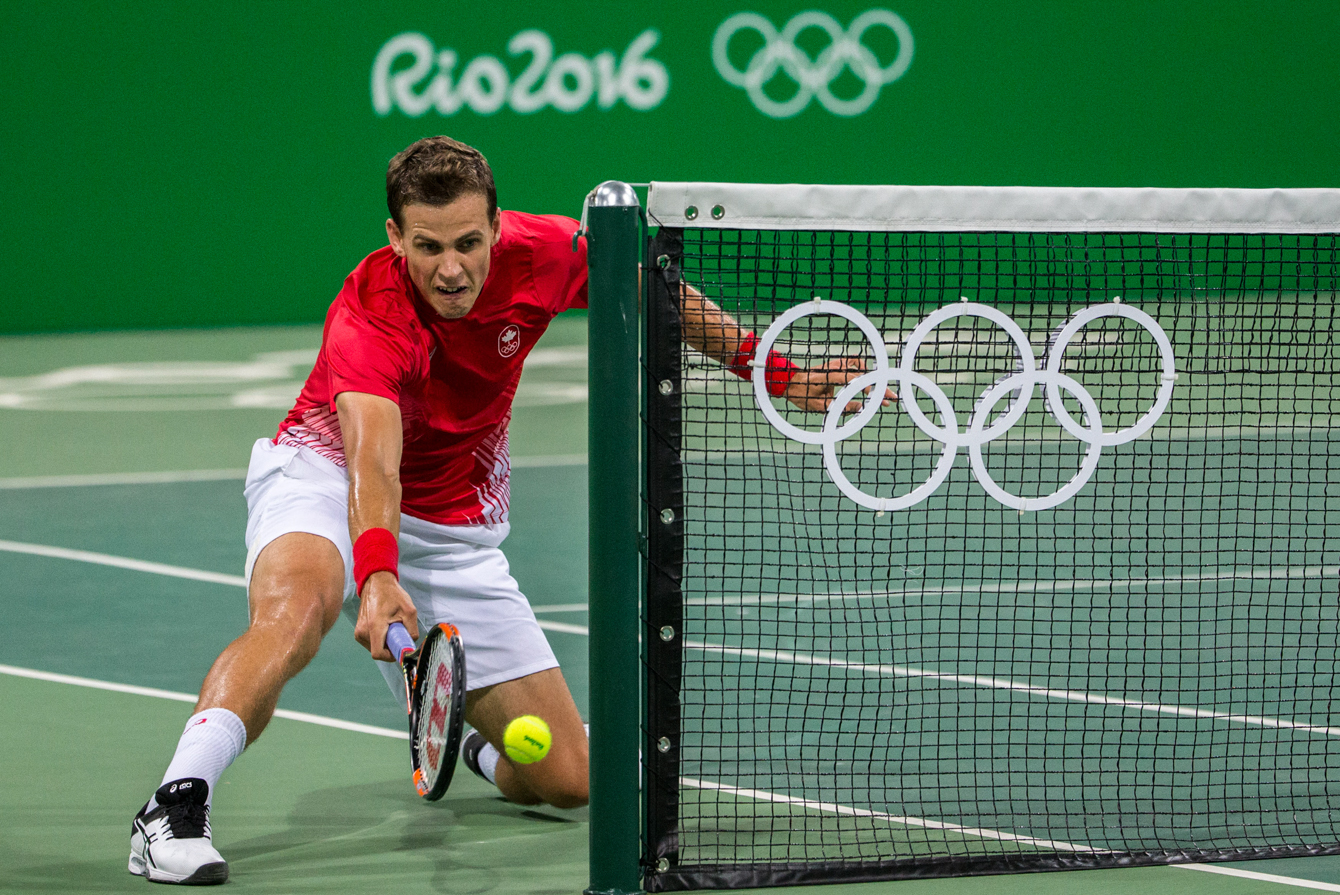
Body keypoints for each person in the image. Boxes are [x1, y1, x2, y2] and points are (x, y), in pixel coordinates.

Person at [128, 135, 880, 885]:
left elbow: (656, 289)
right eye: (427, 247)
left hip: (453, 523)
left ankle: (471, 746)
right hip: (325, 474)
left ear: (495, 225)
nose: (450, 269)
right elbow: (373, 463)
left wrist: (775, 372)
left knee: (574, 781)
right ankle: (174, 806)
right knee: (298, 610)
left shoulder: (545, 252)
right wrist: (378, 573)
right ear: (395, 237)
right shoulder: (369, 315)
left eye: (467, 243)